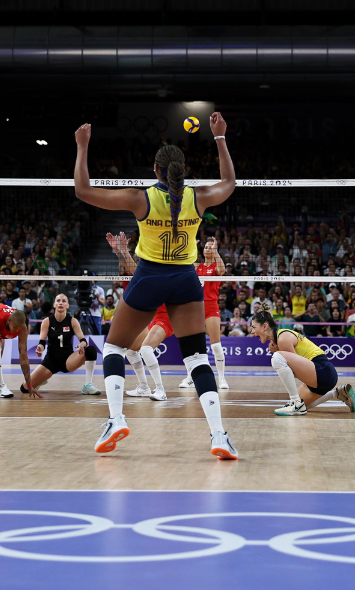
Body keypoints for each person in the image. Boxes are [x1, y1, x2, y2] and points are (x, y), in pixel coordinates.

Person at [75, 113, 239, 459]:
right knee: (197, 357)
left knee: (114, 349)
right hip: (185, 280)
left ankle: (116, 418)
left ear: (155, 170)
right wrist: (220, 138)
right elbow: (229, 182)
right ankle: (219, 436)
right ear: (183, 171)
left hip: (149, 277)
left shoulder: (141, 199)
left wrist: (82, 146)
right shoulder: (200, 197)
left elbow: (83, 190)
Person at [106, 231, 176, 402]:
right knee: (131, 350)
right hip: (154, 317)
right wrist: (120, 251)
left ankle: (160, 390)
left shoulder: (169, 269)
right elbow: (133, 269)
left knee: (145, 349)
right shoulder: (151, 270)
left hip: (167, 319)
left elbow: (135, 269)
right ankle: (144, 387)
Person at [249, 309, 355, 416]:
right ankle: (339, 393)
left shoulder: (283, 338)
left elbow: (294, 373)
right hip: (321, 374)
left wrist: (278, 351)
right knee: (303, 406)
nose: (252, 331)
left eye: (254, 327)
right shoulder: (280, 337)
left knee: (277, 357)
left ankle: (295, 402)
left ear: (265, 326)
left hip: (323, 371)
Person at [19, 293, 102, 396]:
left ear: (67, 305)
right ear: (54, 305)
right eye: (58, 301)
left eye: (64, 301)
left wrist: (82, 344)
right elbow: (42, 341)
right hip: (51, 361)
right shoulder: (47, 321)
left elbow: (83, 340)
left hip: (68, 360)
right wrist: (40, 347)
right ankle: (42, 380)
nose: (61, 303)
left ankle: (87, 385)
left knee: (91, 350)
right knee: (25, 388)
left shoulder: (73, 321)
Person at [179, 238, 229, 390]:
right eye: (206, 247)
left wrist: (216, 252)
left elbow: (222, 271)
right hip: (196, 308)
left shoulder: (216, 266)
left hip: (211, 306)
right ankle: (190, 378)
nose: (207, 249)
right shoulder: (197, 266)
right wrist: (190, 247)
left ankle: (221, 379)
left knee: (216, 345)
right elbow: (184, 264)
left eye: (210, 247)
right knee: (193, 345)